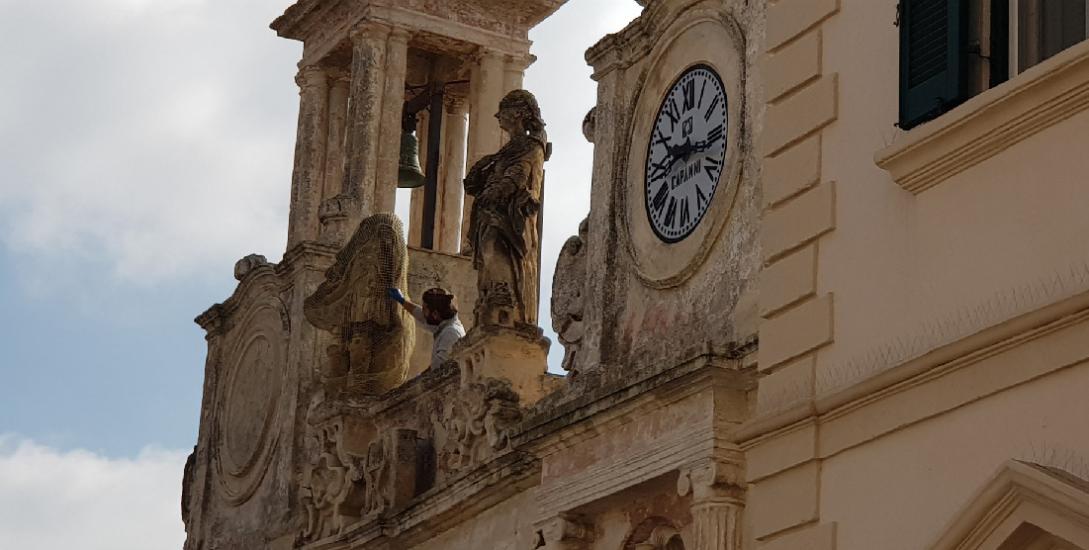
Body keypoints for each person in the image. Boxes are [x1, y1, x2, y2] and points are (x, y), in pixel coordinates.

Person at [387, 287, 465, 369]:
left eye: (424, 309)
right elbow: (422, 316)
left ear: (435, 314)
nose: (422, 312)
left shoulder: (451, 334)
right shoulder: (442, 322)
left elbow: (439, 368)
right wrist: (402, 301)